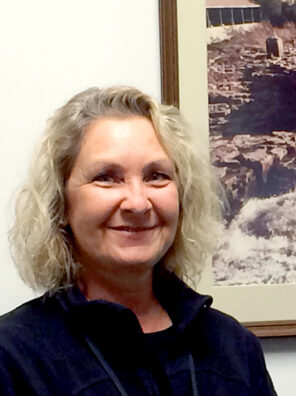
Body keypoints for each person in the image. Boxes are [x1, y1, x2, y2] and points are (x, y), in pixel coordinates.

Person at [0, 86, 277, 395]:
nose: (138, 203)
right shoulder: (13, 357)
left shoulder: (233, 346)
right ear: (60, 204)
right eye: (107, 177)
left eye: (156, 175)